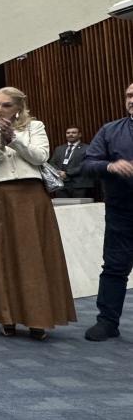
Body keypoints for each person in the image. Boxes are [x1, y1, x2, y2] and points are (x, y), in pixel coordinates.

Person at [0, 87, 76, 340]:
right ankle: (7, 317)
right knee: (0, 256)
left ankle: (38, 318)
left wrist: (14, 139)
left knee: (34, 258)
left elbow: (41, 156)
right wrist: (0, 145)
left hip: (31, 196)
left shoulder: (35, 127)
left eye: (6, 105)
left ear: (18, 108)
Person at [82, 82, 133, 341]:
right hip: (121, 211)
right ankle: (107, 322)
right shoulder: (110, 130)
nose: (131, 100)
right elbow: (89, 164)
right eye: (128, 95)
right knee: (114, 267)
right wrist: (111, 167)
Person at [49, 126, 95, 198]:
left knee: (81, 208)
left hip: (80, 185)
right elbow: (52, 163)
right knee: (63, 208)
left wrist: (67, 173)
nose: (70, 134)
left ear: (79, 134)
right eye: (68, 133)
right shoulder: (59, 149)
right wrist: (57, 172)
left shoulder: (87, 148)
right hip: (61, 185)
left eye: (74, 133)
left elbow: (86, 164)